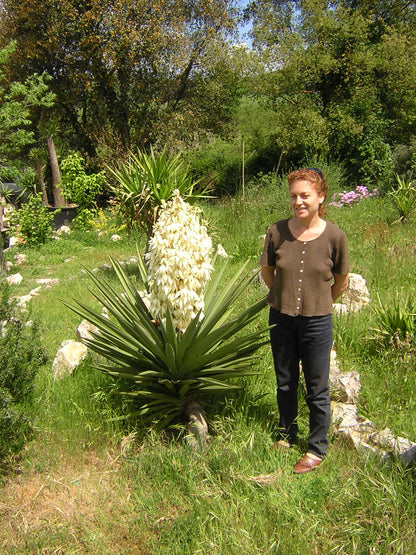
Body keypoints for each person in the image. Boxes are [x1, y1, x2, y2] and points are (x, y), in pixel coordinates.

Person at [259, 168, 349, 474]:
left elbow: (341, 280)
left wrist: (320, 302)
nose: (298, 201)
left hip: (317, 321)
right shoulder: (276, 231)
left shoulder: (335, 236)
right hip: (281, 317)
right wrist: (283, 297)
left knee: (317, 386)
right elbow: (268, 271)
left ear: (321, 196)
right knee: (285, 382)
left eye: (305, 195)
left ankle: (316, 447)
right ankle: (286, 434)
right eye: (294, 196)